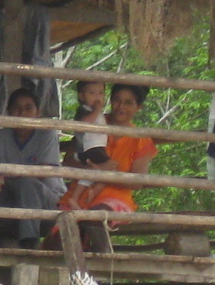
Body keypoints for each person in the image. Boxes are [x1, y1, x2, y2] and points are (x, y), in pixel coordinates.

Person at [0, 86, 64, 247]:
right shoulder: (2, 137)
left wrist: (9, 176)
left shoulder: (47, 134)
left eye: (28, 108)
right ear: (9, 113)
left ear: (37, 112)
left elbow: (43, 171)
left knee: (27, 183)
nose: (22, 113)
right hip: (13, 204)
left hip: (48, 204)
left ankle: (29, 244)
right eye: (17, 109)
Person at [57, 81, 156, 217]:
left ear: (139, 107)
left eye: (128, 103)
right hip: (77, 197)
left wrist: (102, 175)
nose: (121, 106)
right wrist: (90, 171)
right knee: (60, 232)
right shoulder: (93, 121)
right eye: (116, 100)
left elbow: (137, 183)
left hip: (114, 200)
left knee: (96, 219)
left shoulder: (142, 140)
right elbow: (68, 161)